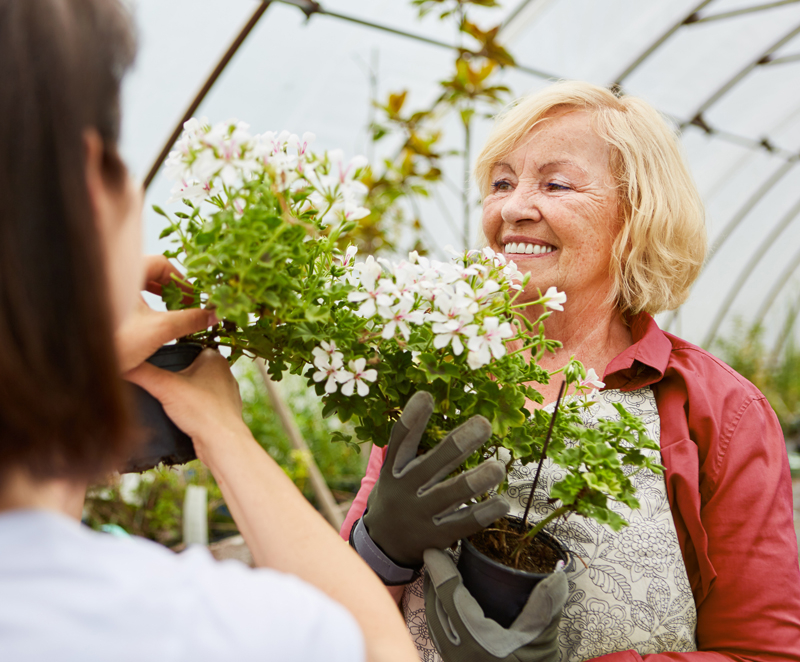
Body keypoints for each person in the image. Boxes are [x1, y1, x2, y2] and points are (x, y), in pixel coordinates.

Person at [0, 1, 422, 660]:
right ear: (95, 195)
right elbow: (376, 644)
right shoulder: (189, 630)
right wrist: (223, 429)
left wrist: (55, 348)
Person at [343, 81, 800, 661]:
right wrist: (378, 547)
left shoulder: (718, 411)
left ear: (636, 215)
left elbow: (763, 651)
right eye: (502, 183)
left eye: (555, 184)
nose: (512, 208)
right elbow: (335, 625)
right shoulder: (441, 373)